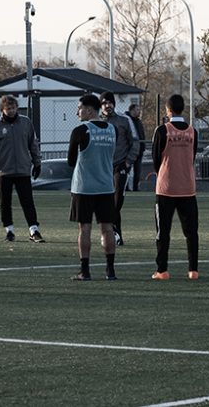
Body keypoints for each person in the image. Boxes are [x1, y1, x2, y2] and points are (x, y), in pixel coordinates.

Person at [67, 94, 117, 281]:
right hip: (106, 185)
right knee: (107, 228)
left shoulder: (80, 130)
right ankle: (110, 270)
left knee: (84, 228)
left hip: (84, 187)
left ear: (88, 110)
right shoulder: (112, 129)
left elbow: (71, 161)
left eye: (79, 108)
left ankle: (85, 270)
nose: (77, 112)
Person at [0, 94, 44, 243]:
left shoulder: (26, 123)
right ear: (2, 109)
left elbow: (33, 144)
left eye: (13, 108)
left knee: (27, 201)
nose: (11, 111)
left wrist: (37, 163)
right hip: (4, 171)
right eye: (8, 108)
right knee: (5, 202)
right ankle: (9, 230)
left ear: (17, 108)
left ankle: (33, 230)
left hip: (23, 169)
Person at [150, 94, 199, 280]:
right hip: (187, 187)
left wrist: (163, 171)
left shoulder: (162, 130)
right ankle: (193, 270)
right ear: (183, 109)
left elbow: (156, 158)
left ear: (167, 110)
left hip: (166, 188)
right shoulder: (193, 131)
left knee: (163, 231)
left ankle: (162, 270)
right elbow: (192, 157)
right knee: (191, 232)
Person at [100, 91, 139, 246]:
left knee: (117, 200)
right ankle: (115, 234)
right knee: (105, 202)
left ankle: (113, 232)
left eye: (109, 102)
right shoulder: (96, 122)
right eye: (104, 103)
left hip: (120, 165)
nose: (107, 106)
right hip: (102, 168)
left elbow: (135, 142)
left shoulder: (124, 120)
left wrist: (128, 162)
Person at [125, 104, 146, 192]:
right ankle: (125, 187)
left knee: (137, 171)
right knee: (127, 170)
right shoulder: (127, 120)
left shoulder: (138, 121)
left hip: (139, 151)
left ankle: (135, 188)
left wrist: (142, 147)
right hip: (129, 151)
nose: (139, 111)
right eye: (137, 110)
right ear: (132, 110)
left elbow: (141, 135)